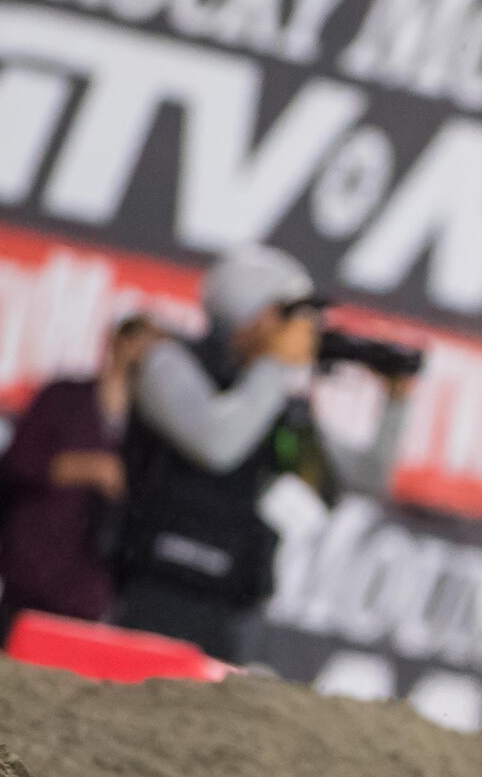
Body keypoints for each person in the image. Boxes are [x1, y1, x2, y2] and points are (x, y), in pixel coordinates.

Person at [113, 245, 414, 662]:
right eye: (290, 315)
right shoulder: (169, 362)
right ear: (249, 314)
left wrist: (397, 403)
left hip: (232, 603)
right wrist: (275, 365)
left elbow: (368, 477)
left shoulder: (276, 398)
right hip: (156, 589)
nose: (306, 329)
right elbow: (217, 443)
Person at [0, 316, 158, 643]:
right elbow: (18, 462)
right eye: (140, 344)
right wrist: (85, 467)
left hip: (91, 584)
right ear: (117, 342)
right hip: (32, 569)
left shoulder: (152, 426)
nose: (144, 356)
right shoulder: (63, 397)